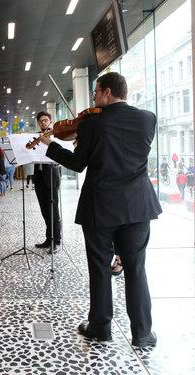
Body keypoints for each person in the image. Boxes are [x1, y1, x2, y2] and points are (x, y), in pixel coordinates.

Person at [39, 72, 161, 348]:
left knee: (99, 267)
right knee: (136, 269)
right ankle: (142, 333)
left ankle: (100, 327)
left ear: (107, 92)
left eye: (96, 92)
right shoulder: (147, 119)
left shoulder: (93, 124)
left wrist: (51, 146)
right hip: (137, 206)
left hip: (101, 206)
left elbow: (77, 164)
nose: (93, 97)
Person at [33, 111, 61, 253]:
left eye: (45, 120)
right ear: (38, 123)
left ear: (50, 121)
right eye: (41, 121)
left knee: (53, 209)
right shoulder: (36, 137)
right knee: (44, 209)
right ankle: (48, 238)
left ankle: (56, 241)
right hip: (38, 175)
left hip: (50, 175)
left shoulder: (55, 136)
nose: (43, 123)